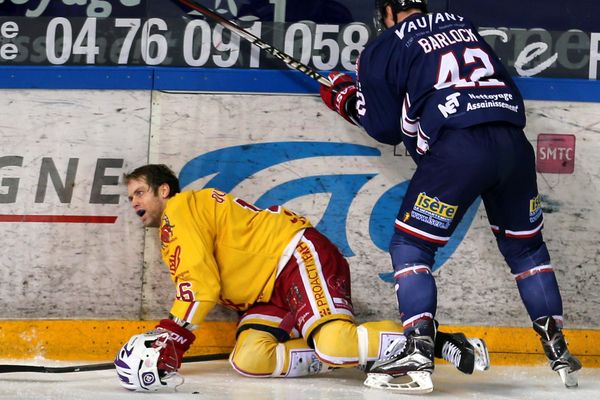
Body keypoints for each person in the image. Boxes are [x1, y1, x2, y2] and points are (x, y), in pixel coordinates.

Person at [319, 0, 581, 392]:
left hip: (459, 150)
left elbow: (385, 126)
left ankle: (418, 350)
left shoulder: (384, 44)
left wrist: (344, 96)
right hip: (513, 145)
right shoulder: (462, 23)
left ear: (387, 11)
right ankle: (558, 351)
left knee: (410, 245)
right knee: (527, 251)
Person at [114, 163, 490, 393]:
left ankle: (434, 342)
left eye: (141, 193)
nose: (135, 203)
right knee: (249, 359)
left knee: (335, 344)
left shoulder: (178, 211)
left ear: (164, 191)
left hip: (294, 256)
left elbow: (201, 286)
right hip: (268, 293)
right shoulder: (187, 213)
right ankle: (364, 353)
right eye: (132, 197)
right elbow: (202, 280)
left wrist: (175, 335)